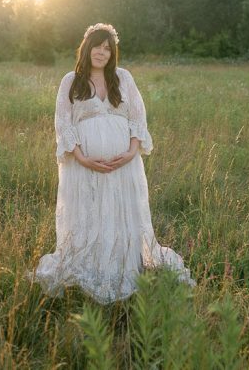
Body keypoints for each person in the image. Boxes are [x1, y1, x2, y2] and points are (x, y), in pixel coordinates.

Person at [31, 22, 196, 304]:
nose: (102, 52)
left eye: (108, 48)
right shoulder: (71, 80)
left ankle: (122, 265)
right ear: (87, 48)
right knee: (91, 210)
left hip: (124, 163)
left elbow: (137, 116)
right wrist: (81, 157)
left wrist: (132, 151)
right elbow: (63, 122)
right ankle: (94, 265)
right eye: (97, 46)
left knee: (122, 208)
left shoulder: (123, 78)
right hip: (84, 163)